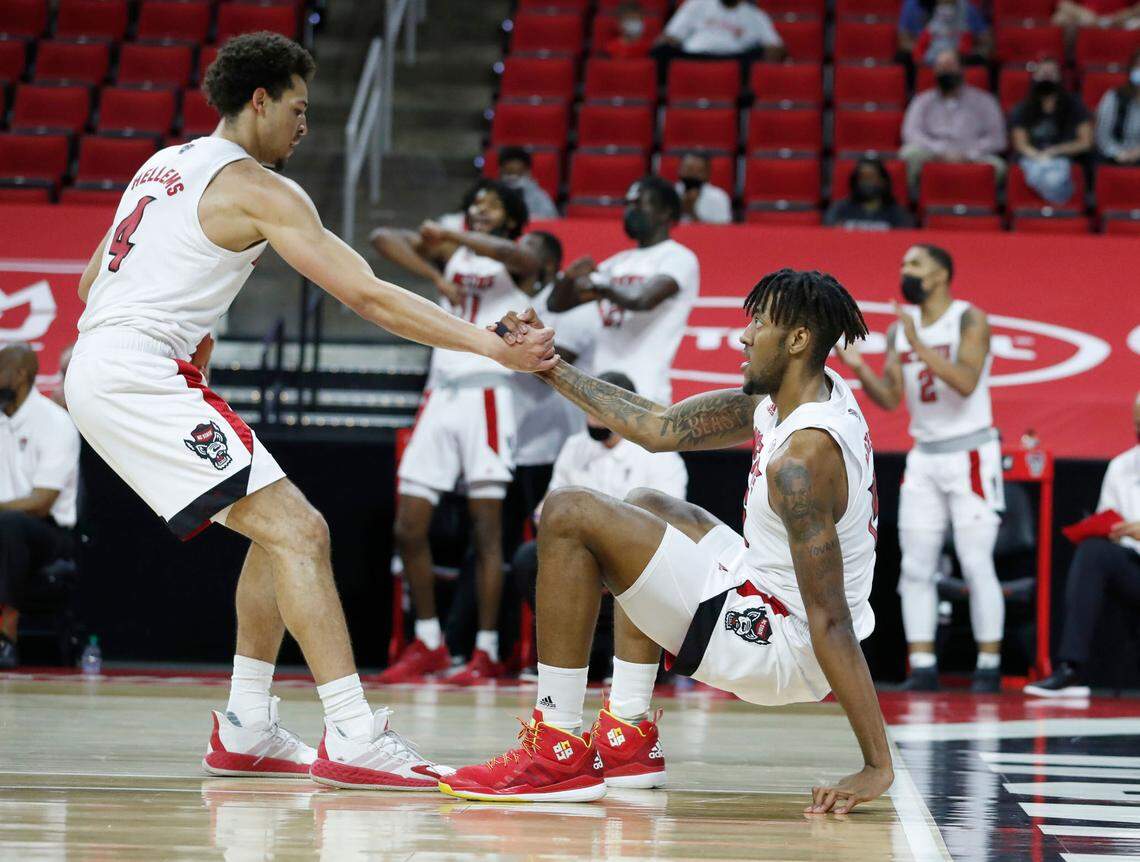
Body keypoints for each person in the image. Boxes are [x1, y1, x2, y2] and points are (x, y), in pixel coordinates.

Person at [64, 33, 555, 790]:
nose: (305, 125)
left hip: (105, 362)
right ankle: (355, 734)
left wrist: (186, 335)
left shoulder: (162, 165)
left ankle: (246, 727)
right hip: (135, 370)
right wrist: (489, 346)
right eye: (297, 108)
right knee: (303, 530)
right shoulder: (259, 187)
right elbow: (367, 294)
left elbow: (91, 279)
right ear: (258, 101)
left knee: (275, 530)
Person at [443, 269, 893, 814]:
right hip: (766, 590)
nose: (743, 337)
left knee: (568, 510)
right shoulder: (794, 398)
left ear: (798, 341)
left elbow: (830, 618)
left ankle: (556, 749)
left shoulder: (802, 461)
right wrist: (548, 366)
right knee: (647, 504)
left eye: (759, 323)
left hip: (783, 642)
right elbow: (658, 427)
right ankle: (626, 736)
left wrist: (876, 766)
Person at [370, 180, 550, 686]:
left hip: (487, 395)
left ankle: (487, 650)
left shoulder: (516, 255)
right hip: (441, 393)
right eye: (477, 201)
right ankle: (428, 642)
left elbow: (524, 258)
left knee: (487, 532)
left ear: (512, 216)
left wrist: (461, 238)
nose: (478, 207)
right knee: (408, 526)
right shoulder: (456, 252)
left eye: (491, 204)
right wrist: (435, 274)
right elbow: (384, 237)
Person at [834, 245, 1005, 693]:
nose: (904, 272)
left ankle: (989, 665)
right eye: (902, 264)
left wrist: (919, 341)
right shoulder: (898, 332)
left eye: (914, 266)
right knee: (915, 566)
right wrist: (858, 368)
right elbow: (891, 399)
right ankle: (923, 663)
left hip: (970, 452)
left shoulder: (970, 318)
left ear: (941, 275)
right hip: (925, 454)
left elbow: (966, 382)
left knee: (975, 561)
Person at [512, 370, 689, 681]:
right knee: (529, 558)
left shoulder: (659, 455)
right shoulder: (574, 447)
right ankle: (566, 660)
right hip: (583, 558)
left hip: (637, 557)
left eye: (600, 411)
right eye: (588, 409)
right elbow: (547, 511)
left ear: (624, 412)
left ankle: (633, 662)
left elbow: (669, 525)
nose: (592, 418)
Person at [1024, 393, 1140, 697]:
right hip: (1134, 567)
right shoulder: (1122, 466)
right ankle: (1070, 669)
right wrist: (1112, 530)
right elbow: (1108, 521)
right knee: (1093, 552)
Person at [547, 176, 699, 405]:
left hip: (645, 388)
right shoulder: (616, 263)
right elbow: (557, 304)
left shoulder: (678, 257)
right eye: (627, 204)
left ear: (665, 212)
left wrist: (600, 285)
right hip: (601, 386)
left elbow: (643, 299)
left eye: (638, 204)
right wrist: (568, 278)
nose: (630, 211)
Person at [508, 231, 601, 549]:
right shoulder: (515, 300)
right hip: (515, 435)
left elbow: (550, 364)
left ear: (547, 262)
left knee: (547, 543)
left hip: (552, 440)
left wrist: (508, 339)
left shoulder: (575, 305)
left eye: (528, 247)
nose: (517, 252)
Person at [0, 344, 80, 670]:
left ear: (20, 375)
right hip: (7, 522)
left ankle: (5, 635)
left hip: (49, 532)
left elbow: (42, 500)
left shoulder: (55, 421)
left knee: (10, 525)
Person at [900, 50, 1007, 193]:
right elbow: (911, 133)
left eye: (949, 66)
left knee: (998, 166)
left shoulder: (984, 101)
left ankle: (978, 204)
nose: (945, 71)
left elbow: (997, 138)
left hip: (972, 153)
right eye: (941, 67)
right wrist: (939, 150)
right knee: (909, 154)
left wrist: (968, 154)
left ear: (961, 69)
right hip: (932, 152)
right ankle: (914, 202)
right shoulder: (922, 100)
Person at [1009, 57, 1092, 204]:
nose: (1047, 77)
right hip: (1033, 158)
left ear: (1060, 77)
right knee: (1037, 170)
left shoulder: (1074, 105)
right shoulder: (1022, 108)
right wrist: (1039, 156)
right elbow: (1020, 143)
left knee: (1060, 172)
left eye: (1051, 73)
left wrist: (1056, 151)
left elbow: (1085, 142)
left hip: (1065, 157)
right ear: (1034, 77)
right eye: (1043, 73)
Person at [653, 0, 785, 64]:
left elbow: (775, 47)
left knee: (756, 56)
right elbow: (671, 36)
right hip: (695, 58)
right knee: (661, 51)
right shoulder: (697, 4)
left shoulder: (756, 15)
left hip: (735, 61)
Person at [824, 156, 914, 230]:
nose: (867, 182)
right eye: (863, 178)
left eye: (871, 178)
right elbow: (830, 232)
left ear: (883, 181)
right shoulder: (839, 210)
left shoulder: (898, 213)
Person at [899, 0, 992, 64]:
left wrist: (962, 53)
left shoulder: (966, 8)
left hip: (959, 57)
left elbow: (986, 42)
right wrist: (926, 53)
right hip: (930, 55)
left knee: (978, 60)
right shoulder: (913, 5)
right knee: (903, 57)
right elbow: (904, 41)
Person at [1095, 49, 1140, 166]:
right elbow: (1102, 135)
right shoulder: (1114, 97)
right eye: (1138, 66)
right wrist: (1117, 153)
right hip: (1115, 156)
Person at [498, 147, 559, 221]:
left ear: (527, 172)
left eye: (518, 174)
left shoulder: (539, 196)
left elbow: (551, 220)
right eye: (509, 173)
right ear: (501, 171)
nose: (512, 179)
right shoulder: (493, 193)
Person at [676, 152, 733, 224]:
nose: (692, 175)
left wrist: (692, 212)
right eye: (688, 170)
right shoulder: (670, 193)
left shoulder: (719, 197)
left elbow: (723, 230)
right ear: (679, 170)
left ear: (707, 173)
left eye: (697, 172)